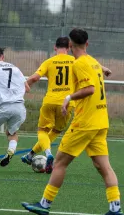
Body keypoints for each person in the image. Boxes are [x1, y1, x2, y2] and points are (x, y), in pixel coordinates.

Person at [21, 28, 124, 215]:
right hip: (101, 120)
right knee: (103, 166)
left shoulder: (80, 64)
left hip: (85, 122)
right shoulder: (93, 62)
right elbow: (95, 74)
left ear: (70, 45)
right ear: (88, 43)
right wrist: (104, 69)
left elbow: (90, 89)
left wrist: (68, 97)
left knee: (60, 162)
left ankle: (44, 205)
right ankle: (115, 207)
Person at [22, 36, 112, 174]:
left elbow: (34, 78)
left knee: (42, 131)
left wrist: (25, 84)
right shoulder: (75, 60)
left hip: (50, 101)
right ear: (69, 47)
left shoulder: (49, 62)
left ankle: (47, 154)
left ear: (55, 47)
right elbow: (92, 64)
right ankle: (31, 154)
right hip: (67, 103)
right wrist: (104, 69)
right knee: (56, 131)